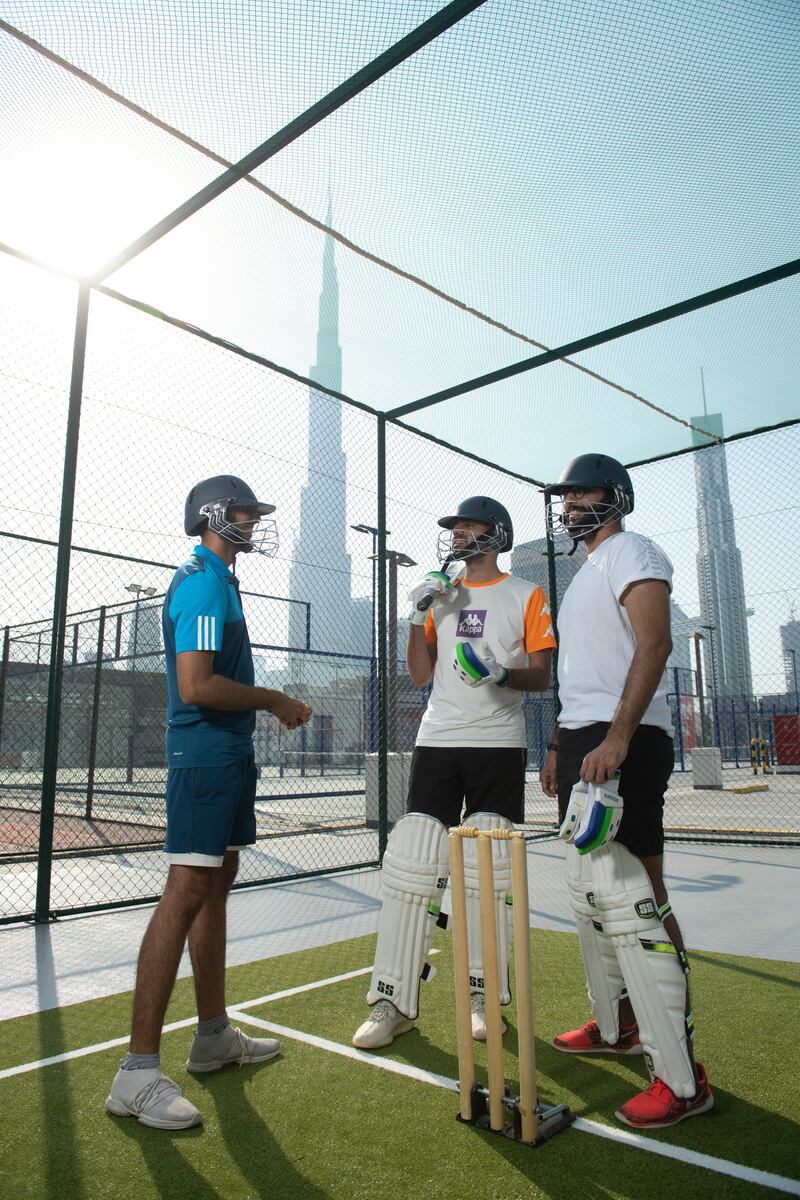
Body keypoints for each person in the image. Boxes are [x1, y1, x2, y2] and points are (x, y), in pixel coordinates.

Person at [106, 475, 311, 1130]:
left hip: (228, 759)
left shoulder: (223, 582)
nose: (255, 522)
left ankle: (213, 1034)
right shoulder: (199, 579)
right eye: (246, 512)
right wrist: (275, 700)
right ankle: (135, 1073)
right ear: (212, 516)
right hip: (203, 761)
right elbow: (196, 686)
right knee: (187, 888)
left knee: (216, 884)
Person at [540, 453, 714, 1129]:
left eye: (581, 493)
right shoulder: (584, 572)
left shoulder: (634, 550)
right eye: (567, 496)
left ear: (615, 497)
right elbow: (581, 673)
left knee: (638, 894)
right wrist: (562, 745)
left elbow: (654, 643)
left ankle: (683, 1076)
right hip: (587, 737)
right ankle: (618, 1027)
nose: (571, 504)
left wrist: (617, 738)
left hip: (629, 740)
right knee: (591, 892)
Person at [353, 496, 555, 1050]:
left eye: (468, 526)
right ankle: (393, 1000)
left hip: (497, 743)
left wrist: (500, 673)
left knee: (486, 871)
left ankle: (483, 998)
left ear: (496, 534)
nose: (457, 534)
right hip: (438, 739)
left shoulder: (526, 594)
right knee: (415, 864)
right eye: (454, 528)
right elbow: (420, 675)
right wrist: (417, 615)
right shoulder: (441, 598)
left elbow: (541, 676)